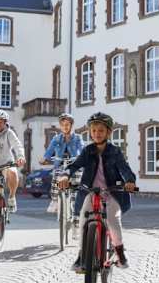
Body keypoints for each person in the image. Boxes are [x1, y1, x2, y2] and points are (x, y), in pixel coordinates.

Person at [57, 112, 137, 272]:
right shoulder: (88, 151)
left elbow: (125, 169)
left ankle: (120, 252)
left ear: (108, 132)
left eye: (101, 130)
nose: (97, 134)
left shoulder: (115, 151)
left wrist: (129, 181)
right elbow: (75, 165)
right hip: (91, 192)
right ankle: (82, 255)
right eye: (93, 130)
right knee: (83, 219)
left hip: (112, 192)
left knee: (113, 221)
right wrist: (65, 175)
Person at [40, 113, 86, 235]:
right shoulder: (56, 139)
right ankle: (55, 200)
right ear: (60, 126)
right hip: (60, 165)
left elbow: (82, 149)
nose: (65, 127)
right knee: (56, 176)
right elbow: (50, 150)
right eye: (63, 125)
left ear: (71, 125)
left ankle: (76, 224)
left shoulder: (77, 138)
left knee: (76, 193)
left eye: (67, 124)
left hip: (75, 166)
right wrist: (45, 158)